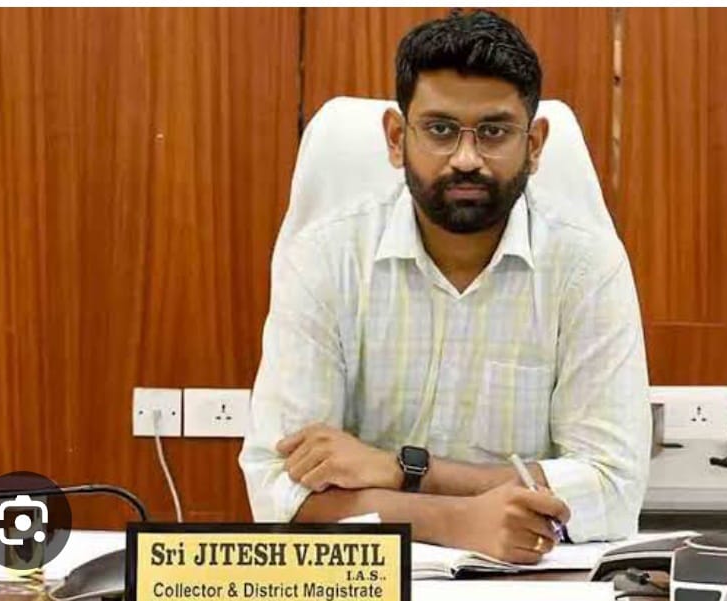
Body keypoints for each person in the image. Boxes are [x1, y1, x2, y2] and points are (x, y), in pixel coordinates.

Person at [239, 9, 649, 564]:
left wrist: (401, 470)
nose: (466, 158)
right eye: (439, 130)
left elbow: (613, 490)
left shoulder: (586, 267)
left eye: (494, 132)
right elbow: (277, 492)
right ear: (396, 138)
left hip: (529, 579)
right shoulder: (325, 259)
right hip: (364, 581)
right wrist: (459, 522)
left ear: (534, 144)